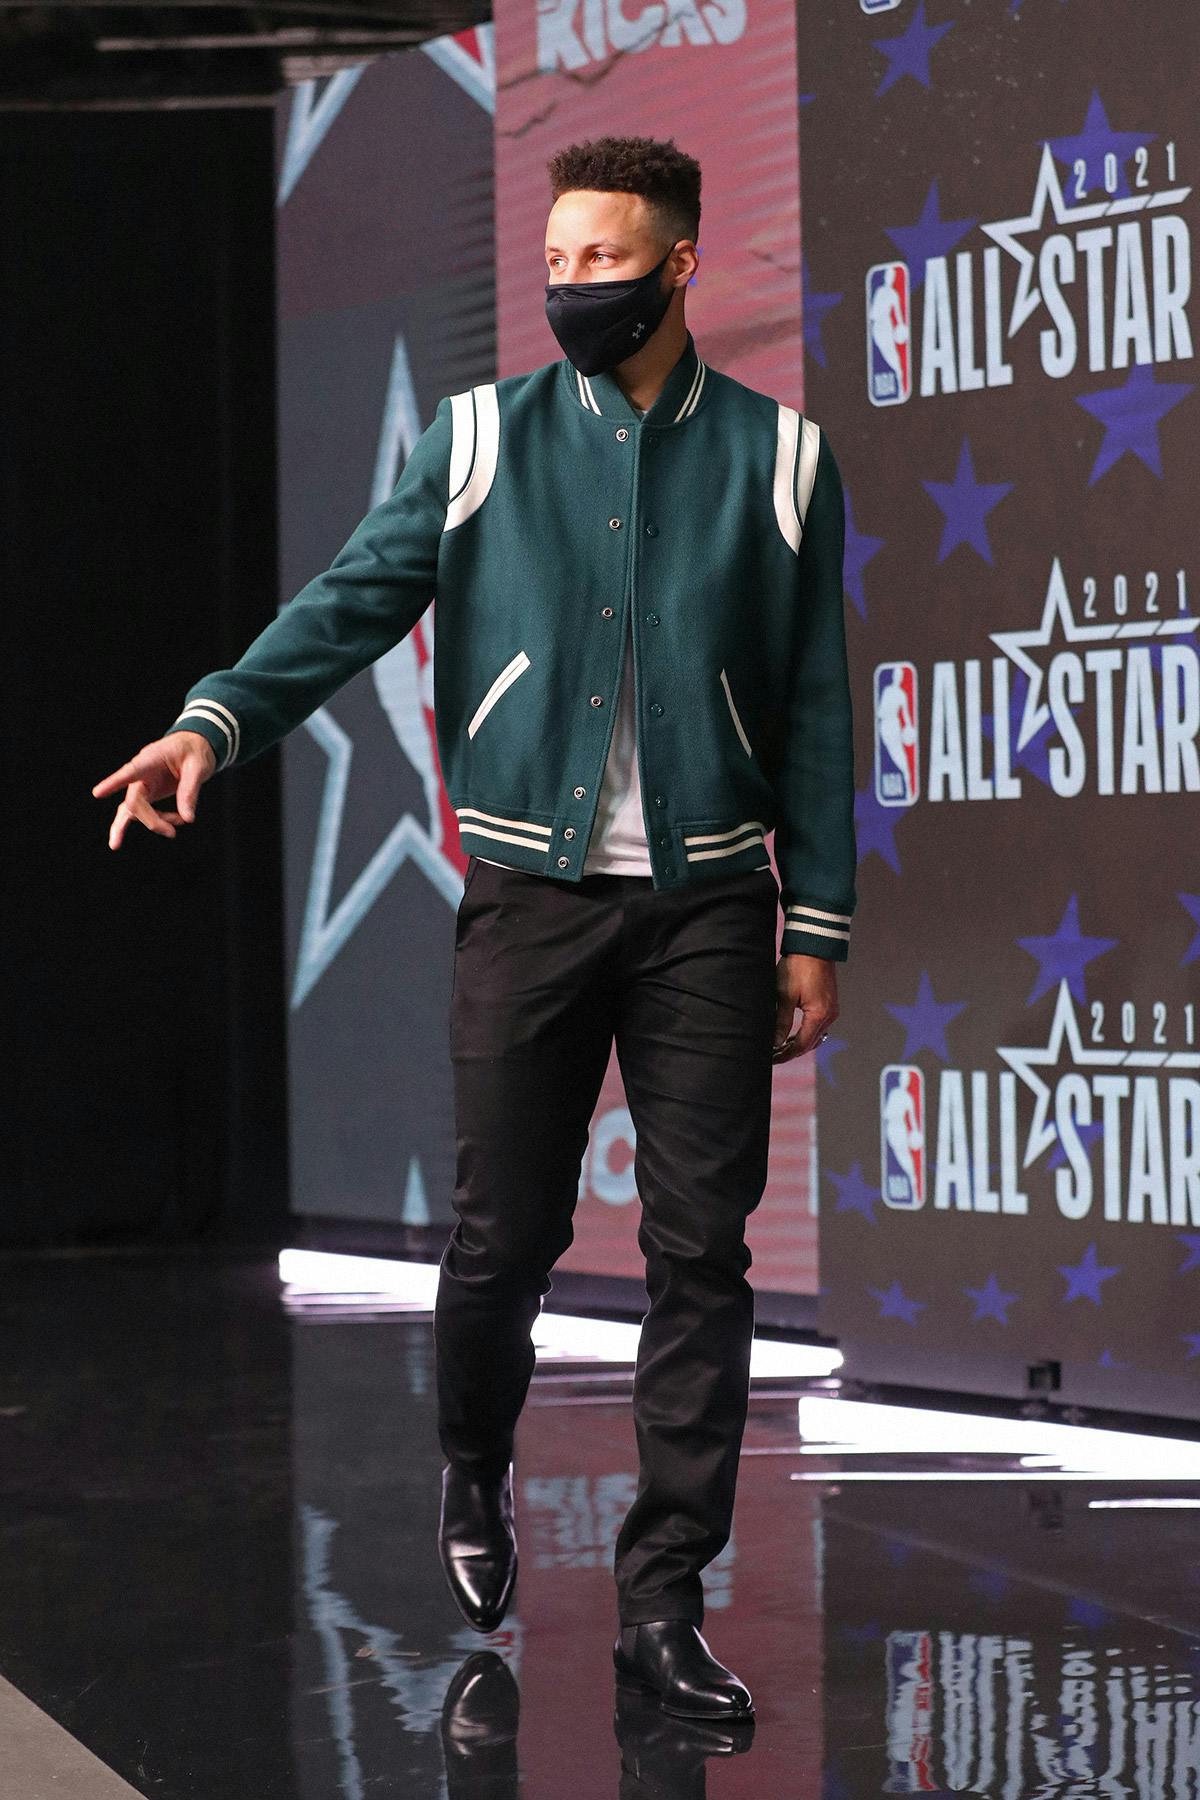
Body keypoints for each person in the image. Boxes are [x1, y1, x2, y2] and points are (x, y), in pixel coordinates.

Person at [92, 133, 857, 1724]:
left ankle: (663, 1603)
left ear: (679, 264)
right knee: (504, 1236)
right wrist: (214, 721)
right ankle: (471, 1460)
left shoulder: (783, 459)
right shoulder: (481, 441)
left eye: (604, 259)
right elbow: (350, 603)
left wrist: (819, 923)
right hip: (530, 899)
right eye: (557, 260)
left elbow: (815, 706)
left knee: (701, 1254)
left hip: (714, 905)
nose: (574, 284)